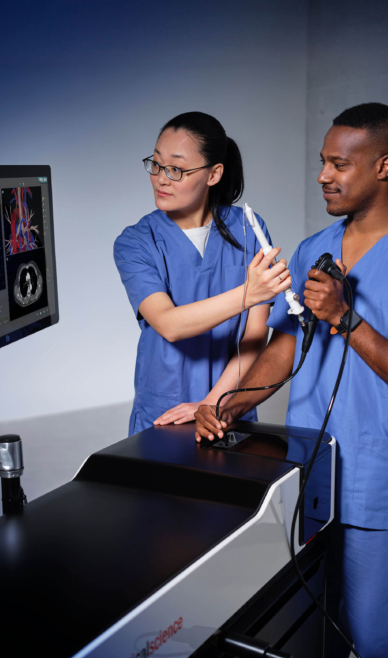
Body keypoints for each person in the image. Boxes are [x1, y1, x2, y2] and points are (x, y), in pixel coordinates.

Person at [195, 103, 388, 658]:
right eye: (322, 161)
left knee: (381, 642)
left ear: (384, 167)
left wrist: (346, 318)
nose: (323, 175)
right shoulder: (314, 249)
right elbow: (286, 345)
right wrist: (229, 406)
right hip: (311, 477)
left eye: (339, 164)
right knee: (308, 635)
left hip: (382, 486)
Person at [114, 112, 290, 435]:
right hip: (166, 409)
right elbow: (169, 325)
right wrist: (249, 294)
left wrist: (213, 403)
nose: (161, 178)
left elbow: (254, 335)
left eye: (176, 169)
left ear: (214, 174)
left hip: (230, 406)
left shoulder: (249, 229)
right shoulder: (136, 242)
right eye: (156, 164)